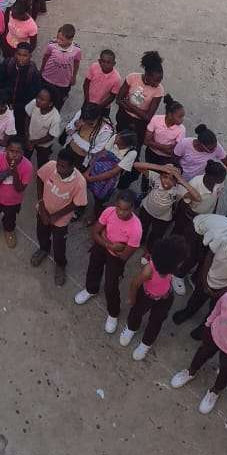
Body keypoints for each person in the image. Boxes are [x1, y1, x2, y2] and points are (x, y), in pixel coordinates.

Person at [169, 286, 227, 415]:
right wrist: (208, 324)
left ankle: (214, 392)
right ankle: (190, 373)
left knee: (225, 373)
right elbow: (215, 311)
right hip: (214, 335)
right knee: (201, 354)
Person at [74, 189, 143, 333]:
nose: (120, 212)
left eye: (125, 210)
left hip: (116, 257)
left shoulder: (136, 228)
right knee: (93, 268)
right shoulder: (109, 211)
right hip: (103, 246)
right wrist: (110, 244)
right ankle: (91, 289)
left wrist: (111, 243)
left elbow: (124, 256)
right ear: (115, 204)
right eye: (119, 207)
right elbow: (95, 232)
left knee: (111, 286)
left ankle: (113, 313)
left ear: (132, 209)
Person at [119, 234, 187, 360]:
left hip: (165, 297)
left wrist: (168, 290)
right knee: (136, 312)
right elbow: (135, 283)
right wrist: (132, 298)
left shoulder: (170, 268)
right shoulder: (149, 271)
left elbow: (168, 278)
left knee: (156, 321)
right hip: (146, 295)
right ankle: (131, 328)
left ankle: (146, 343)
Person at [31, 150, 86, 282]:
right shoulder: (51, 166)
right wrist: (42, 206)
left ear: (72, 167)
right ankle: (44, 249)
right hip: (43, 211)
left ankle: (60, 265)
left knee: (59, 243)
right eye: (58, 165)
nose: (59, 169)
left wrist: (56, 216)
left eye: (63, 166)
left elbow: (76, 203)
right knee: (41, 232)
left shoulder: (80, 182)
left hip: (61, 219)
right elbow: (40, 178)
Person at [0, 136, 34, 247]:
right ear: (6, 149)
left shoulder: (27, 166)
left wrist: (15, 173)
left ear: (23, 152)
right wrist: (7, 172)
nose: (14, 155)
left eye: (18, 152)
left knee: (10, 218)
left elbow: (20, 189)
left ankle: (9, 231)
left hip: (12, 201)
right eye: (11, 151)